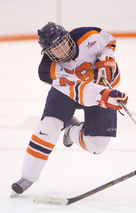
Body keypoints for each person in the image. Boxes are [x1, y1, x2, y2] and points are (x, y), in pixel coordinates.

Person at [11, 22, 128, 196]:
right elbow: (79, 91)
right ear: (47, 52)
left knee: (97, 146)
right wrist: (104, 96)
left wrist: (107, 57)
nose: (61, 51)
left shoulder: (88, 35)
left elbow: (109, 41)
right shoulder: (47, 70)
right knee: (48, 128)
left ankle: (71, 130)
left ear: (67, 37)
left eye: (62, 44)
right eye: (54, 49)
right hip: (69, 92)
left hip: (102, 85)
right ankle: (27, 176)